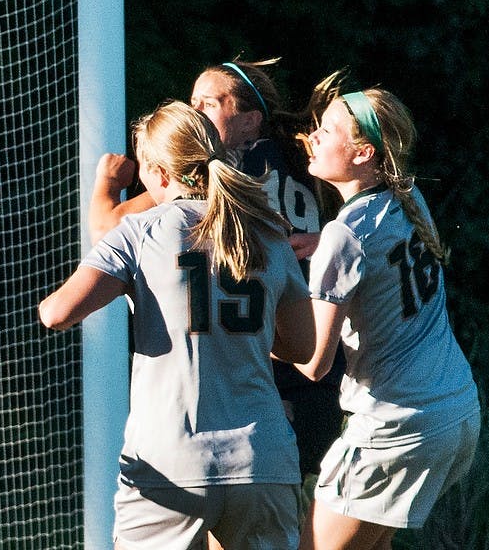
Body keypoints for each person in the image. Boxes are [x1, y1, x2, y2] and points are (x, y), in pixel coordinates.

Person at [40, 100, 316, 550]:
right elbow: (302, 348)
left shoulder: (141, 230)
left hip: (171, 460)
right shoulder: (269, 232)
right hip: (261, 458)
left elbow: (57, 313)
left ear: (159, 172)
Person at [89, 59, 345, 481]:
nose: (193, 113)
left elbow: (108, 231)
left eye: (206, 104)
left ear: (249, 121)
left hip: (262, 379)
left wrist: (105, 184)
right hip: (308, 371)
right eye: (191, 103)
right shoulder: (303, 164)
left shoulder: (222, 174)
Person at [293, 81, 481, 550]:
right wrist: (323, 247)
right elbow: (376, 251)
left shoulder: (344, 236)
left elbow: (313, 362)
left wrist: (247, 331)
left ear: (363, 153)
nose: (313, 135)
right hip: (454, 410)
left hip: (398, 425)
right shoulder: (409, 197)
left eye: (329, 129)